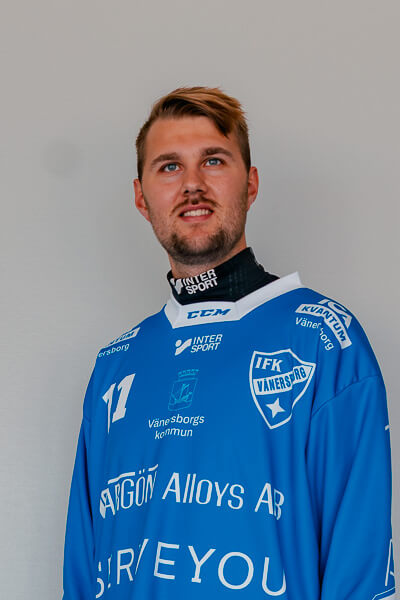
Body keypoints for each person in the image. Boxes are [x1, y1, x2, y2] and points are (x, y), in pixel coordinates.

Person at [61, 86, 396, 599]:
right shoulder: (115, 364)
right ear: (141, 198)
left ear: (251, 183)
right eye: (169, 167)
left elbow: (360, 570)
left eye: (213, 161)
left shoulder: (324, 340)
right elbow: (83, 576)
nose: (192, 184)